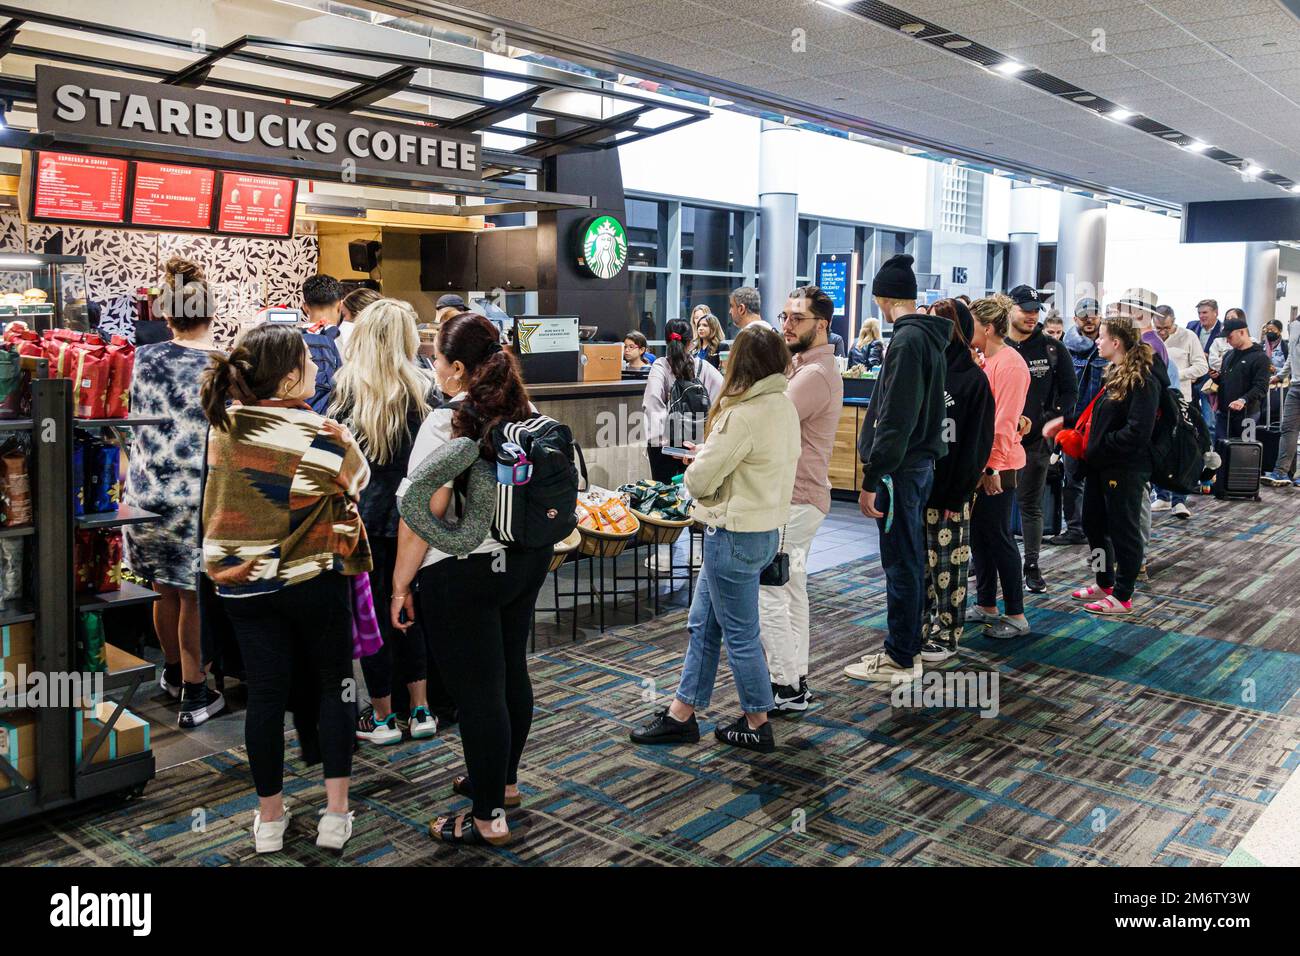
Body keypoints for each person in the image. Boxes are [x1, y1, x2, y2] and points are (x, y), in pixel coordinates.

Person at [200, 323, 371, 854]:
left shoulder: (222, 424)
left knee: (266, 698)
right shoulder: (322, 433)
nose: (320, 365)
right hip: (309, 580)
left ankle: (270, 818)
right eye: (310, 360)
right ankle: (335, 812)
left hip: (240, 586)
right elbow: (356, 479)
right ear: (292, 375)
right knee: (334, 686)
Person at [390, 312, 553, 847]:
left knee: (480, 693)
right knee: (510, 674)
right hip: (523, 563)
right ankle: (501, 785)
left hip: (464, 573)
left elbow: (424, 512)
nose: (433, 367)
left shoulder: (448, 422)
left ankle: (487, 818)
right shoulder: (527, 414)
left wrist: (400, 584)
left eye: (436, 358)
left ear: (457, 368)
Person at [630, 323, 801, 752]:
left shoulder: (741, 415)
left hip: (732, 535)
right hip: (762, 531)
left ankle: (759, 720)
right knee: (703, 626)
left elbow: (700, 481)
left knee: (740, 633)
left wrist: (699, 461)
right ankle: (680, 714)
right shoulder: (782, 406)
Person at [327, 298, 449, 746]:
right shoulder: (428, 392)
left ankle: (380, 718)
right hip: (417, 521)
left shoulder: (344, 391)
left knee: (372, 618)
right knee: (410, 611)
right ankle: (421, 710)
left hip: (362, 522)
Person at [123, 257, 225, 728]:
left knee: (162, 587)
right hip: (195, 495)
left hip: (144, 494)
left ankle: (170, 672)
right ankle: (196, 692)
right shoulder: (222, 366)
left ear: (167, 314)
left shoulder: (139, 358)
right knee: (191, 595)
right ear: (212, 312)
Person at [844, 254, 949, 681]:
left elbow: (895, 419)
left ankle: (900, 657)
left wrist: (871, 477)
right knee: (909, 559)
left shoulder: (906, 342)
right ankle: (908, 650)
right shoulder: (927, 337)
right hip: (916, 466)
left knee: (901, 562)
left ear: (882, 299)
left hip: (899, 471)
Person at [761, 286, 843, 712]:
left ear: (822, 325)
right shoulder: (801, 367)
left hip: (796, 498)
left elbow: (769, 425)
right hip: (799, 496)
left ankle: (784, 686)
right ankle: (796, 680)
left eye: (797, 318)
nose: (787, 325)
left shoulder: (813, 375)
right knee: (791, 586)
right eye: (785, 316)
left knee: (769, 590)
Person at [1047, 315, 1159, 615]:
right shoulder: (1115, 373)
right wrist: (1066, 423)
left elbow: (1138, 432)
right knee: (1094, 525)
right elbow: (1097, 417)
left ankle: (1123, 595)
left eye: (1102, 336)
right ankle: (1104, 581)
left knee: (1124, 531)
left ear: (1116, 342)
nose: (1097, 341)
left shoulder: (1143, 379)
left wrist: (1100, 445)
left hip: (1124, 468)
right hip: (1100, 465)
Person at [919, 299, 994, 663]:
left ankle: (947, 634)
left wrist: (958, 493)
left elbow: (977, 445)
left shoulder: (973, 379)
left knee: (947, 568)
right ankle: (919, 628)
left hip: (951, 492)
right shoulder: (924, 369)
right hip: (916, 488)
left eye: (938, 323)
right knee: (918, 566)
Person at [967, 294, 1032, 639]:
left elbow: (1004, 424)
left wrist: (991, 467)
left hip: (1001, 466)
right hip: (984, 464)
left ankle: (1017, 615)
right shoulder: (986, 360)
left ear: (988, 328)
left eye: (973, 324)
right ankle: (987, 603)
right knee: (981, 536)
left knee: (999, 538)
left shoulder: (1009, 364)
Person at [1005, 285, 1077, 595]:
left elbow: (1069, 392)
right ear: (1010, 309)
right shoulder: (998, 345)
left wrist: (1050, 422)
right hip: (998, 442)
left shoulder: (1052, 349)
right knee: (991, 505)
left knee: (1030, 505)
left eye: (1036, 310)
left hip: (1035, 443)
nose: (1032, 315)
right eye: (1026, 309)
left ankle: (1031, 566)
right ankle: (984, 562)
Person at [1051, 298, 1106, 546]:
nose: (1089, 319)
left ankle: (1098, 533)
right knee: (1072, 479)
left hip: (1101, 424)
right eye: (1084, 315)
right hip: (1073, 424)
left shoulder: (1108, 346)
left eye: (1093, 314)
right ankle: (1075, 528)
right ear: (1075, 319)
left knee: (1100, 481)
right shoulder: (1065, 348)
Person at [643, 317, 724, 483]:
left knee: (666, 500)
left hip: (664, 448)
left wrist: (664, 443)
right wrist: (709, 442)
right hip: (697, 447)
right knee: (694, 498)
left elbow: (652, 403)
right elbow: (723, 400)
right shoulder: (704, 367)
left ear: (667, 341)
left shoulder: (661, 366)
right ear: (691, 342)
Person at [1153, 305, 1207, 518]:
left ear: (1174, 322)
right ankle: (1162, 496)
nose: (1162, 332)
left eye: (1166, 328)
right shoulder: (1151, 340)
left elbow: (1201, 366)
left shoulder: (1189, 337)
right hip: (1158, 401)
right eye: (1158, 328)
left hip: (1181, 399)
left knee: (1181, 450)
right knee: (1159, 448)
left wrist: (1175, 374)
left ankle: (1179, 500)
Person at [1216, 317, 1271, 441]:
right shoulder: (1228, 355)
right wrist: (1216, 378)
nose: (1228, 341)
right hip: (1224, 413)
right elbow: (1225, 381)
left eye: (1230, 337)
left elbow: (1261, 386)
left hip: (1248, 414)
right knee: (1222, 452)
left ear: (1242, 332)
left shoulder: (1260, 358)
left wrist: (1243, 400)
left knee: (1244, 453)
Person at [1264, 311, 1300, 488]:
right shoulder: (1294, 326)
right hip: (1295, 386)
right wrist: (1280, 376)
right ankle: (1281, 471)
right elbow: (1292, 356)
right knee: (1288, 428)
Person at [300, 275, 344, 414]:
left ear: (305, 307)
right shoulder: (345, 339)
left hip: (294, 419)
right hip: (332, 421)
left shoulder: (289, 339)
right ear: (340, 305)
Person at [1189, 298, 1223, 441]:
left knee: (1210, 420)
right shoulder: (1191, 327)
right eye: (1199, 313)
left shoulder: (1222, 331)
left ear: (1216, 313)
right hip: (1192, 379)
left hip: (1210, 380)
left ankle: (1211, 453)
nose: (1201, 316)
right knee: (1191, 417)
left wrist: (1207, 357)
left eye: (1205, 312)